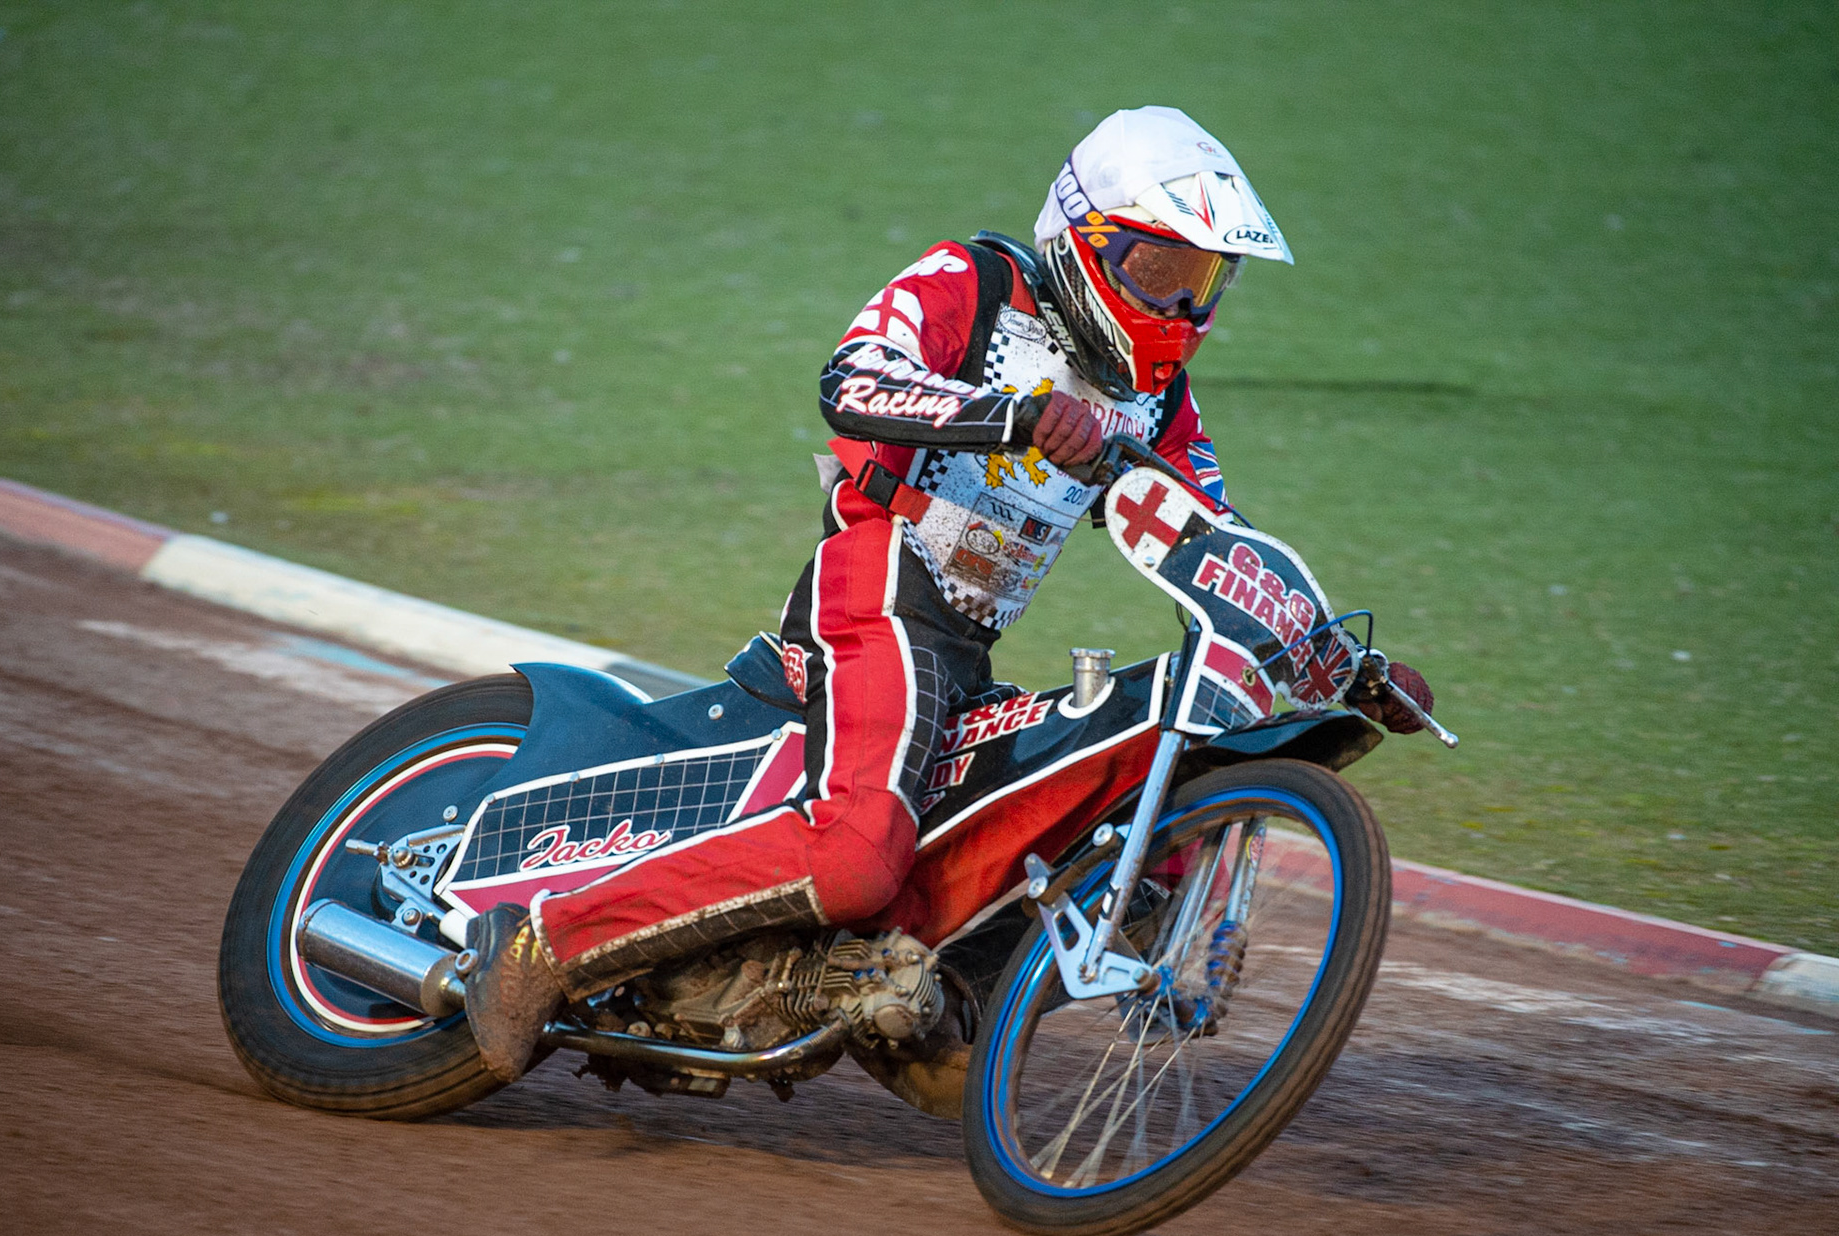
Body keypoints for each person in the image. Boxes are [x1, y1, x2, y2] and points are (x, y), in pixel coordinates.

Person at [461, 106, 1433, 1085]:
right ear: (1082, 237)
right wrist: (1013, 416)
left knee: (1077, 791)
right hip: (878, 576)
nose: (1180, 311)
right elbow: (854, 381)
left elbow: (1215, 544)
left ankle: (897, 996)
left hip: (962, 654)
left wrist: (1332, 661)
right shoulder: (974, 282)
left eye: (1203, 284)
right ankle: (546, 944)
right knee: (857, 857)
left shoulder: (1160, 404)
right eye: (1157, 272)